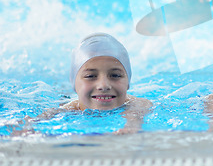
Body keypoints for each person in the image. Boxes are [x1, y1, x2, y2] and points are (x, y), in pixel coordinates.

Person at [13, 33, 152, 135]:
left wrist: (131, 127)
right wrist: (27, 126)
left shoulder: (136, 104)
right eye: (91, 76)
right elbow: (39, 119)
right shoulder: (69, 109)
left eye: (115, 75)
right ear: (75, 84)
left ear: (128, 82)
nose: (103, 85)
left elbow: (135, 117)